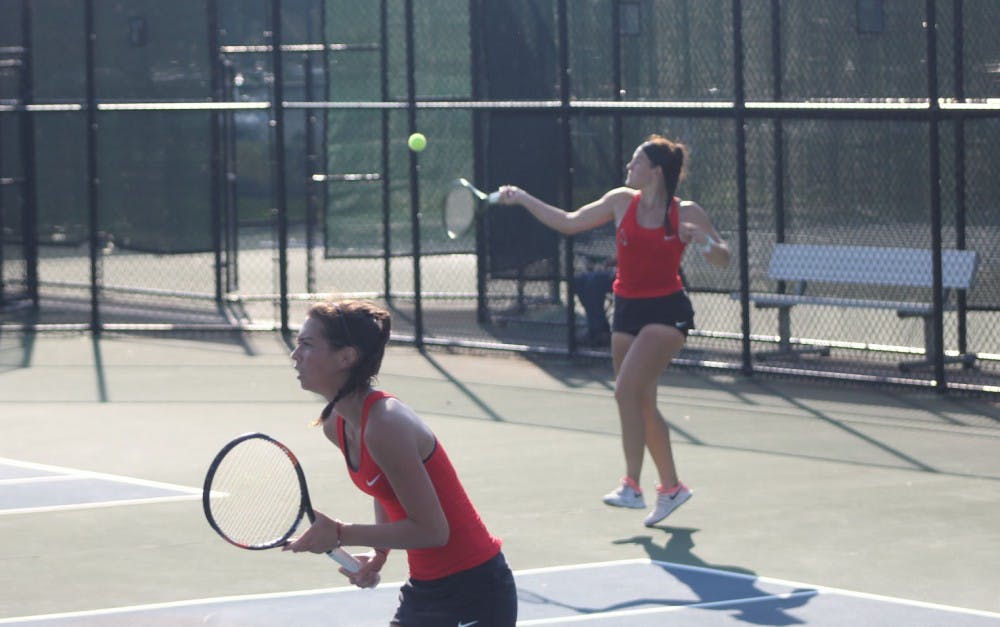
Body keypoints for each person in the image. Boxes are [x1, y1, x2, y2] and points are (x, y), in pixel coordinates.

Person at [497, 134, 731, 526]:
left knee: (625, 390)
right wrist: (521, 197)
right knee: (641, 403)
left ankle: (631, 486)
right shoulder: (620, 201)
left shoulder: (684, 211)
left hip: (667, 310)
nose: (628, 168)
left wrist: (704, 240)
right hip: (626, 309)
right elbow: (569, 223)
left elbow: (722, 257)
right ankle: (671, 488)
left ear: (655, 171)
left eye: (635, 162)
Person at [285, 300, 517, 626]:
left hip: (474, 588)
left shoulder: (385, 425)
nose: (295, 356)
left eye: (307, 345)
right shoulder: (336, 425)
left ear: (346, 357)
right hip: (427, 588)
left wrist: (339, 533)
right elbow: (385, 489)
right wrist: (379, 554)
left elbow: (433, 531)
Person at [573, 259, 615, 346]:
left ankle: (598, 331)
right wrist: (607, 264)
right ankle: (599, 327)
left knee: (594, 281)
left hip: (627, 273)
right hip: (615, 270)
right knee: (579, 280)